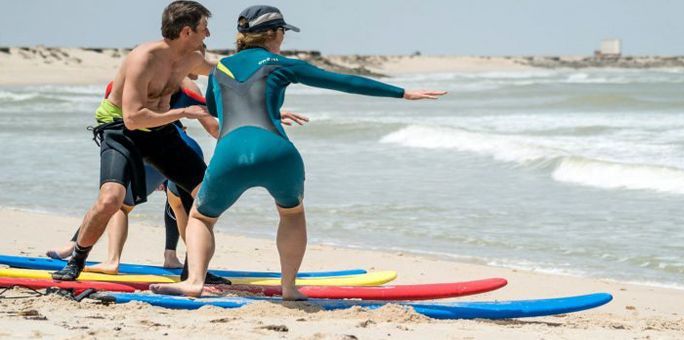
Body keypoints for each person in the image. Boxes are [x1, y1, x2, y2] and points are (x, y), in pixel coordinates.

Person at [149, 5, 446, 299]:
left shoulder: (220, 69)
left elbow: (216, 110)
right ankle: (289, 287)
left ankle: (194, 281)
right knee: (291, 213)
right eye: (282, 33)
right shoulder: (281, 64)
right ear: (275, 33)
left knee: (202, 218)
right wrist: (402, 93)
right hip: (276, 151)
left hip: (231, 154)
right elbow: (342, 82)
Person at [53, 1, 216, 280]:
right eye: (204, 28)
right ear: (187, 32)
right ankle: (77, 260)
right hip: (121, 129)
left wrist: (268, 70)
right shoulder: (144, 58)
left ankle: (194, 270)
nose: (208, 34)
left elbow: (226, 71)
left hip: (159, 130)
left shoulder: (191, 58)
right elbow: (133, 118)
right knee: (111, 200)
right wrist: (184, 112)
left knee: (207, 196)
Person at [47, 78, 212, 271]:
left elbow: (114, 119)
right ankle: (183, 262)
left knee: (116, 203)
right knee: (184, 207)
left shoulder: (122, 82)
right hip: (182, 146)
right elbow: (213, 126)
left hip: (145, 145)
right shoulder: (183, 84)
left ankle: (108, 259)